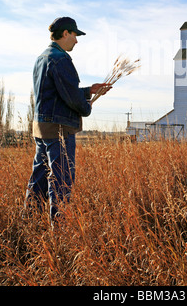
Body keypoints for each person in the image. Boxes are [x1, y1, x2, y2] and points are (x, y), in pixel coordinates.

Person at [25, 17, 109, 225]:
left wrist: (88, 91)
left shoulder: (41, 58)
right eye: (74, 35)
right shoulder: (61, 60)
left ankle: (29, 222)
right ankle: (59, 230)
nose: (76, 41)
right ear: (65, 34)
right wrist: (87, 106)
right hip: (59, 130)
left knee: (39, 179)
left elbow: (55, 93)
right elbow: (71, 98)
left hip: (41, 128)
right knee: (61, 181)